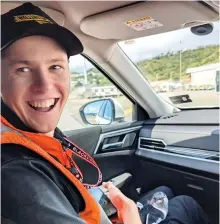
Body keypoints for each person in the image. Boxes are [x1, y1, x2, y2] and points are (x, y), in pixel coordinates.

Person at [1, 3, 209, 224]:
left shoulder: (25, 131)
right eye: (22, 69)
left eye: (55, 67)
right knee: (186, 205)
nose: (44, 87)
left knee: (165, 191)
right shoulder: (17, 173)